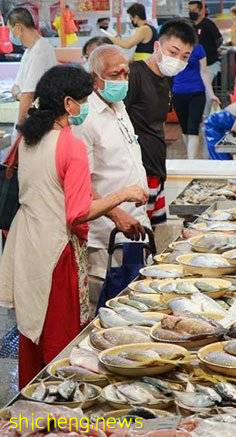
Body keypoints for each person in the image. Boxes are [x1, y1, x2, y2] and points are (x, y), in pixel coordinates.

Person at [0, 65, 147, 388]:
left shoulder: (30, 136)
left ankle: (27, 411)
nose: (84, 108)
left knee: (31, 332)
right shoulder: (70, 145)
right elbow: (78, 213)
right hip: (55, 251)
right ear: (68, 104)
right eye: (82, 101)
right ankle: (57, 414)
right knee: (58, 339)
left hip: (27, 242)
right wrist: (124, 194)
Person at [72, 45, 151, 309]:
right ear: (95, 78)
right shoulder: (86, 118)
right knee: (105, 307)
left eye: (125, 74)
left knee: (133, 304)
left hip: (135, 225)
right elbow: (81, 182)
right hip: (105, 234)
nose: (122, 80)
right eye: (115, 75)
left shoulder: (118, 106)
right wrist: (117, 214)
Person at [124, 19, 196, 227]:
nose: (177, 60)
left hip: (156, 168)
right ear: (157, 46)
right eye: (173, 52)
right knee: (137, 235)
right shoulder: (134, 74)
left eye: (185, 56)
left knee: (153, 232)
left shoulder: (167, 78)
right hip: (137, 173)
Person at [7, 7, 57, 137]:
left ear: (18, 28)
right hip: (31, 112)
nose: (10, 34)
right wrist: (20, 94)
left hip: (35, 119)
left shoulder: (40, 51)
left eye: (10, 29)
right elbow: (16, 88)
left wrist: (20, 127)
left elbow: (28, 94)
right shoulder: (29, 50)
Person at [172, 34, 221, 159]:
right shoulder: (173, 50)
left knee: (193, 126)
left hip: (197, 92)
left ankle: (190, 161)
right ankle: (190, 155)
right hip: (177, 92)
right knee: (184, 128)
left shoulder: (198, 49)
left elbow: (204, 72)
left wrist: (211, 94)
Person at [188, 1, 223, 117]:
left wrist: (210, 50)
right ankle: (198, 116)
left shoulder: (208, 24)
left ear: (201, 10)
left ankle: (206, 117)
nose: (191, 13)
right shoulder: (189, 26)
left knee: (206, 90)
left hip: (210, 64)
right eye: (190, 10)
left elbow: (219, 40)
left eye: (194, 10)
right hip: (194, 65)